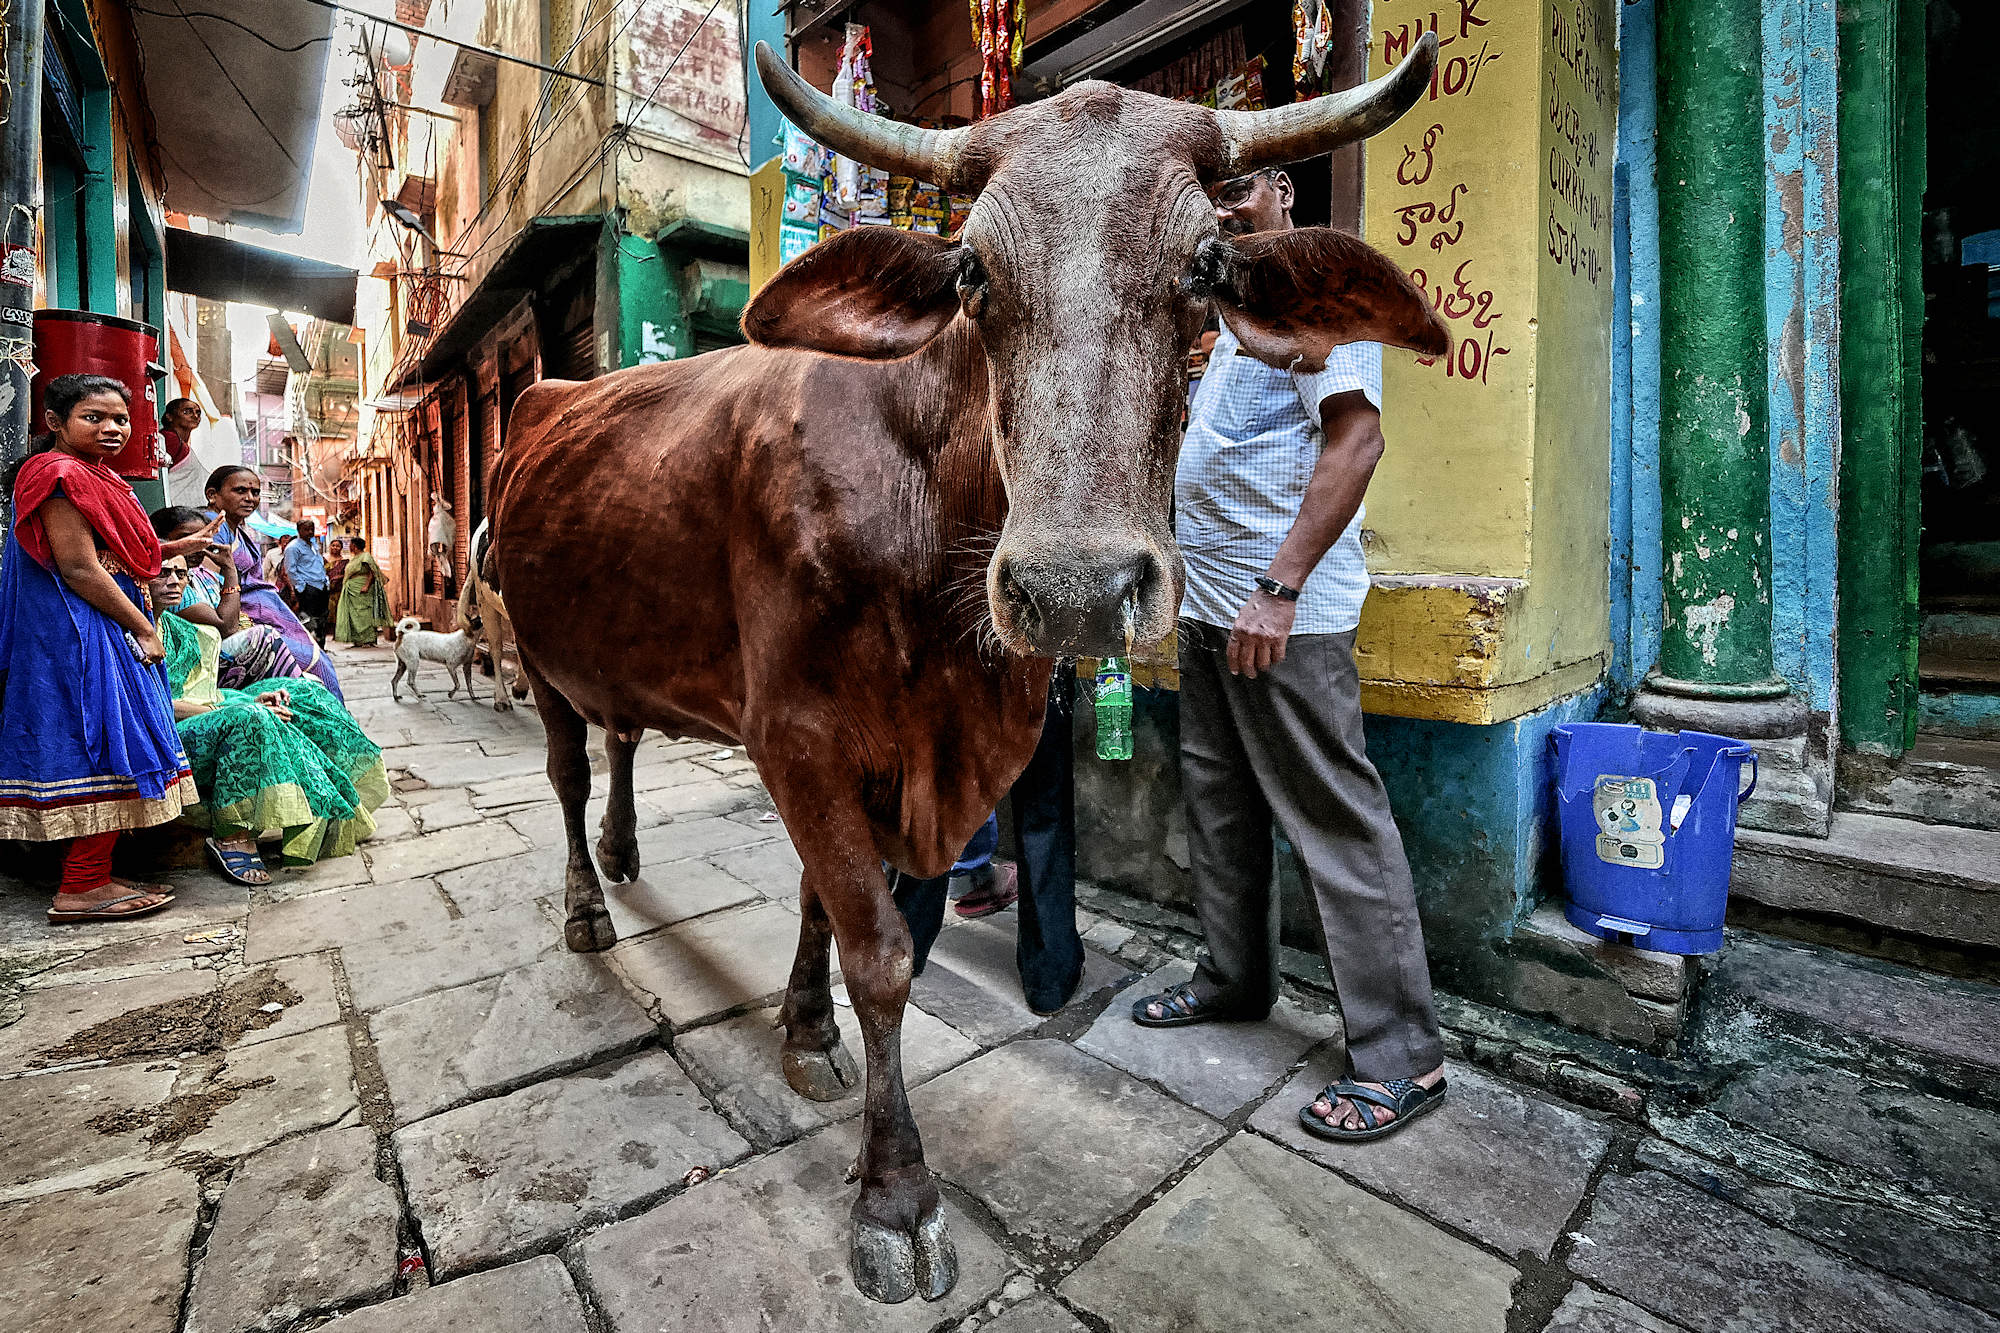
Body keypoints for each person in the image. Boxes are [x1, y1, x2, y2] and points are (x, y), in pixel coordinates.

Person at [1131, 167, 1447, 1143]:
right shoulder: (1227, 319)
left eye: (1239, 188)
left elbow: (1354, 444)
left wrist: (1277, 588)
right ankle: (1234, 980)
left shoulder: (1308, 296)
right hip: (1213, 612)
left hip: (1284, 617)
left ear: (1281, 190)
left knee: (1331, 819)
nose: (1222, 204)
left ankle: (1403, 1059)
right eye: (1208, 191)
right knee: (1218, 804)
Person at [0, 374, 216, 923]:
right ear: (54, 422)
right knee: (103, 742)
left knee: (118, 740)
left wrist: (177, 546)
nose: (113, 428)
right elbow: (77, 566)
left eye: (120, 418)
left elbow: (113, 551)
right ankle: (80, 886)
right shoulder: (57, 474)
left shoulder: (96, 475)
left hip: (99, 619)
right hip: (80, 628)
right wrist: (144, 627)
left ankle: (92, 874)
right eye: (93, 417)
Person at [147, 555, 387, 879]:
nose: (174, 580)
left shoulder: (184, 631)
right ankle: (232, 835)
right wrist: (237, 708)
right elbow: (154, 705)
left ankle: (327, 812)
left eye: (180, 573)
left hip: (204, 711)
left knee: (303, 695)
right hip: (161, 731)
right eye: (163, 572)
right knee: (251, 718)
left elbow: (207, 691)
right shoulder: (128, 634)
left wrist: (251, 697)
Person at [891, 664, 1085, 1015]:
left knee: (940, 784)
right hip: (1036, 639)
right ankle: (1050, 974)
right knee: (1043, 800)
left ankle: (907, 943)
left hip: (955, 633)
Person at [204, 466, 343, 700]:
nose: (250, 498)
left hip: (267, 608)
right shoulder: (211, 527)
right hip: (241, 617)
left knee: (319, 660)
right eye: (240, 490)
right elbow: (208, 584)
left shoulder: (238, 529)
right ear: (212, 494)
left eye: (255, 492)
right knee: (309, 669)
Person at [150, 507, 312, 689]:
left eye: (203, 539)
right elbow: (227, 627)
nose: (197, 546)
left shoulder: (201, 575)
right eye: (188, 537)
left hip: (221, 659)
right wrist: (230, 570)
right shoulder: (168, 584)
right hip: (196, 666)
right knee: (264, 638)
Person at [335, 537, 391, 646]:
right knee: (354, 615)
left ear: (355, 546)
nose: (349, 547)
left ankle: (368, 639)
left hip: (362, 589)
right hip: (352, 590)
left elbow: (372, 572)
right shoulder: (355, 558)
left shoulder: (365, 556)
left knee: (364, 613)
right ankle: (358, 640)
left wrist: (366, 586)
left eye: (350, 544)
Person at [285, 518, 330, 649]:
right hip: (308, 588)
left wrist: (325, 581)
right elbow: (290, 570)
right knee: (309, 620)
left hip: (321, 586)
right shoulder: (293, 548)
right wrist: (301, 587)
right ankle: (309, 649)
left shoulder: (314, 545)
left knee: (322, 619)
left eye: (312, 529)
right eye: (306, 529)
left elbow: (319, 563)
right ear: (299, 530)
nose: (310, 532)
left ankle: (321, 647)